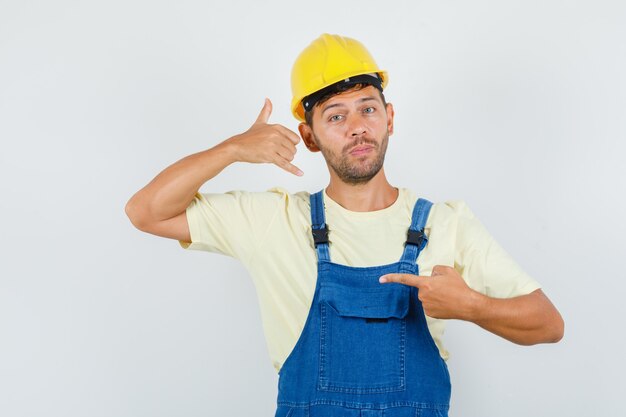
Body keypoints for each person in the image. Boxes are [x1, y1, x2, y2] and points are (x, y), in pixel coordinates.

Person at [125, 33, 564, 417]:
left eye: (367, 110)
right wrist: (233, 149)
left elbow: (548, 323)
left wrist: (471, 305)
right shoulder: (273, 221)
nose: (357, 128)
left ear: (389, 118)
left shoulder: (447, 224)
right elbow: (146, 211)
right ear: (310, 136)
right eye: (336, 116)